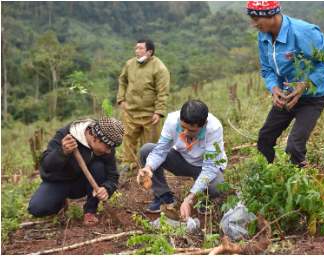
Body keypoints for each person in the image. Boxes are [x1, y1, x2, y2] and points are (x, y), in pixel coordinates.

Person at [246, 1, 324, 167]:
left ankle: (298, 186)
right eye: (252, 19)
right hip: (286, 95)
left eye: (257, 19)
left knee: (294, 146)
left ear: (272, 15)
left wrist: (305, 83)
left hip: (312, 98)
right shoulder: (263, 34)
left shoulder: (302, 32)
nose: (254, 25)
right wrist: (274, 88)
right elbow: (268, 69)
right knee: (265, 137)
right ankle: (263, 179)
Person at [138, 100, 227, 222]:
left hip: (203, 166)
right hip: (181, 160)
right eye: (183, 127)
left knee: (216, 187)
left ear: (204, 124)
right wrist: (148, 167)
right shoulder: (172, 119)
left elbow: (210, 168)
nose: (186, 133)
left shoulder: (214, 128)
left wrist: (189, 199)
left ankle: (205, 199)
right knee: (147, 150)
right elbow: (160, 150)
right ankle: (164, 197)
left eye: (192, 130)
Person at [28, 117, 125, 226]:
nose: (109, 152)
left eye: (111, 148)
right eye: (107, 147)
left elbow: (112, 176)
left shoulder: (107, 144)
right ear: (94, 138)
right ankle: (60, 203)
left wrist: (107, 188)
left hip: (81, 184)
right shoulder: (66, 134)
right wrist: (62, 152)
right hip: (58, 182)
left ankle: (90, 211)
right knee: (36, 208)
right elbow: (45, 166)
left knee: (98, 167)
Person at [117, 38, 170, 175]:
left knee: (150, 144)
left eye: (140, 48)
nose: (137, 51)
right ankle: (128, 164)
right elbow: (122, 81)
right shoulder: (129, 64)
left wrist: (158, 112)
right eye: (136, 48)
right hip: (130, 111)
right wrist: (121, 98)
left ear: (149, 52)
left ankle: (150, 167)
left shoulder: (159, 68)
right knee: (128, 138)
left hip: (149, 113)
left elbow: (162, 92)